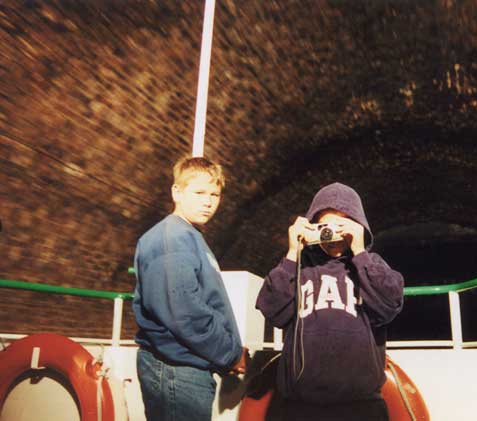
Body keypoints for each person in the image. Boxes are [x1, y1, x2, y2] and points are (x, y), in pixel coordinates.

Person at [256, 182, 404, 421]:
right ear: (313, 226)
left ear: (358, 226)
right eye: (326, 226)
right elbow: (272, 311)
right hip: (299, 407)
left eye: (342, 225)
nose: (333, 235)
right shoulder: (300, 266)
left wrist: (359, 252)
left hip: (360, 407)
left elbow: (389, 306)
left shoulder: (371, 264)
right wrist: (293, 252)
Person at [132, 156, 247, 421]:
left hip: (187, 365)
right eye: (199, 192)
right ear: (177, 192)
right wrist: (229, 355)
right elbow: (184, 312)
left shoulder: (189, 236)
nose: (207, 202)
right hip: (177, 370)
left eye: (214, 194)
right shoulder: (171, 238)